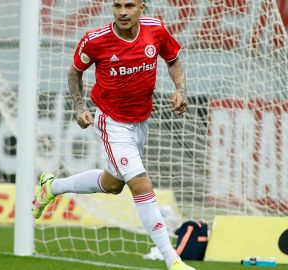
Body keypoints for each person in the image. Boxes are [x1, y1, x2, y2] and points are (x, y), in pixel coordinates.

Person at [32, 1, 194, 269]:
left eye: (129, 5)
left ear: (142, 7)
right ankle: (173, 261)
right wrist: (80, 107)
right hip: (111, 121)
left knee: (112, 184)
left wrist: (181, 89)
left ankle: (52, 187)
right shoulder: (95, 40)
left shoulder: (155, 30)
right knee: (141, 185)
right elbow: (75, 72)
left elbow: (173, 60)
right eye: (117, 5)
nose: (122, 11)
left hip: (141, 121)